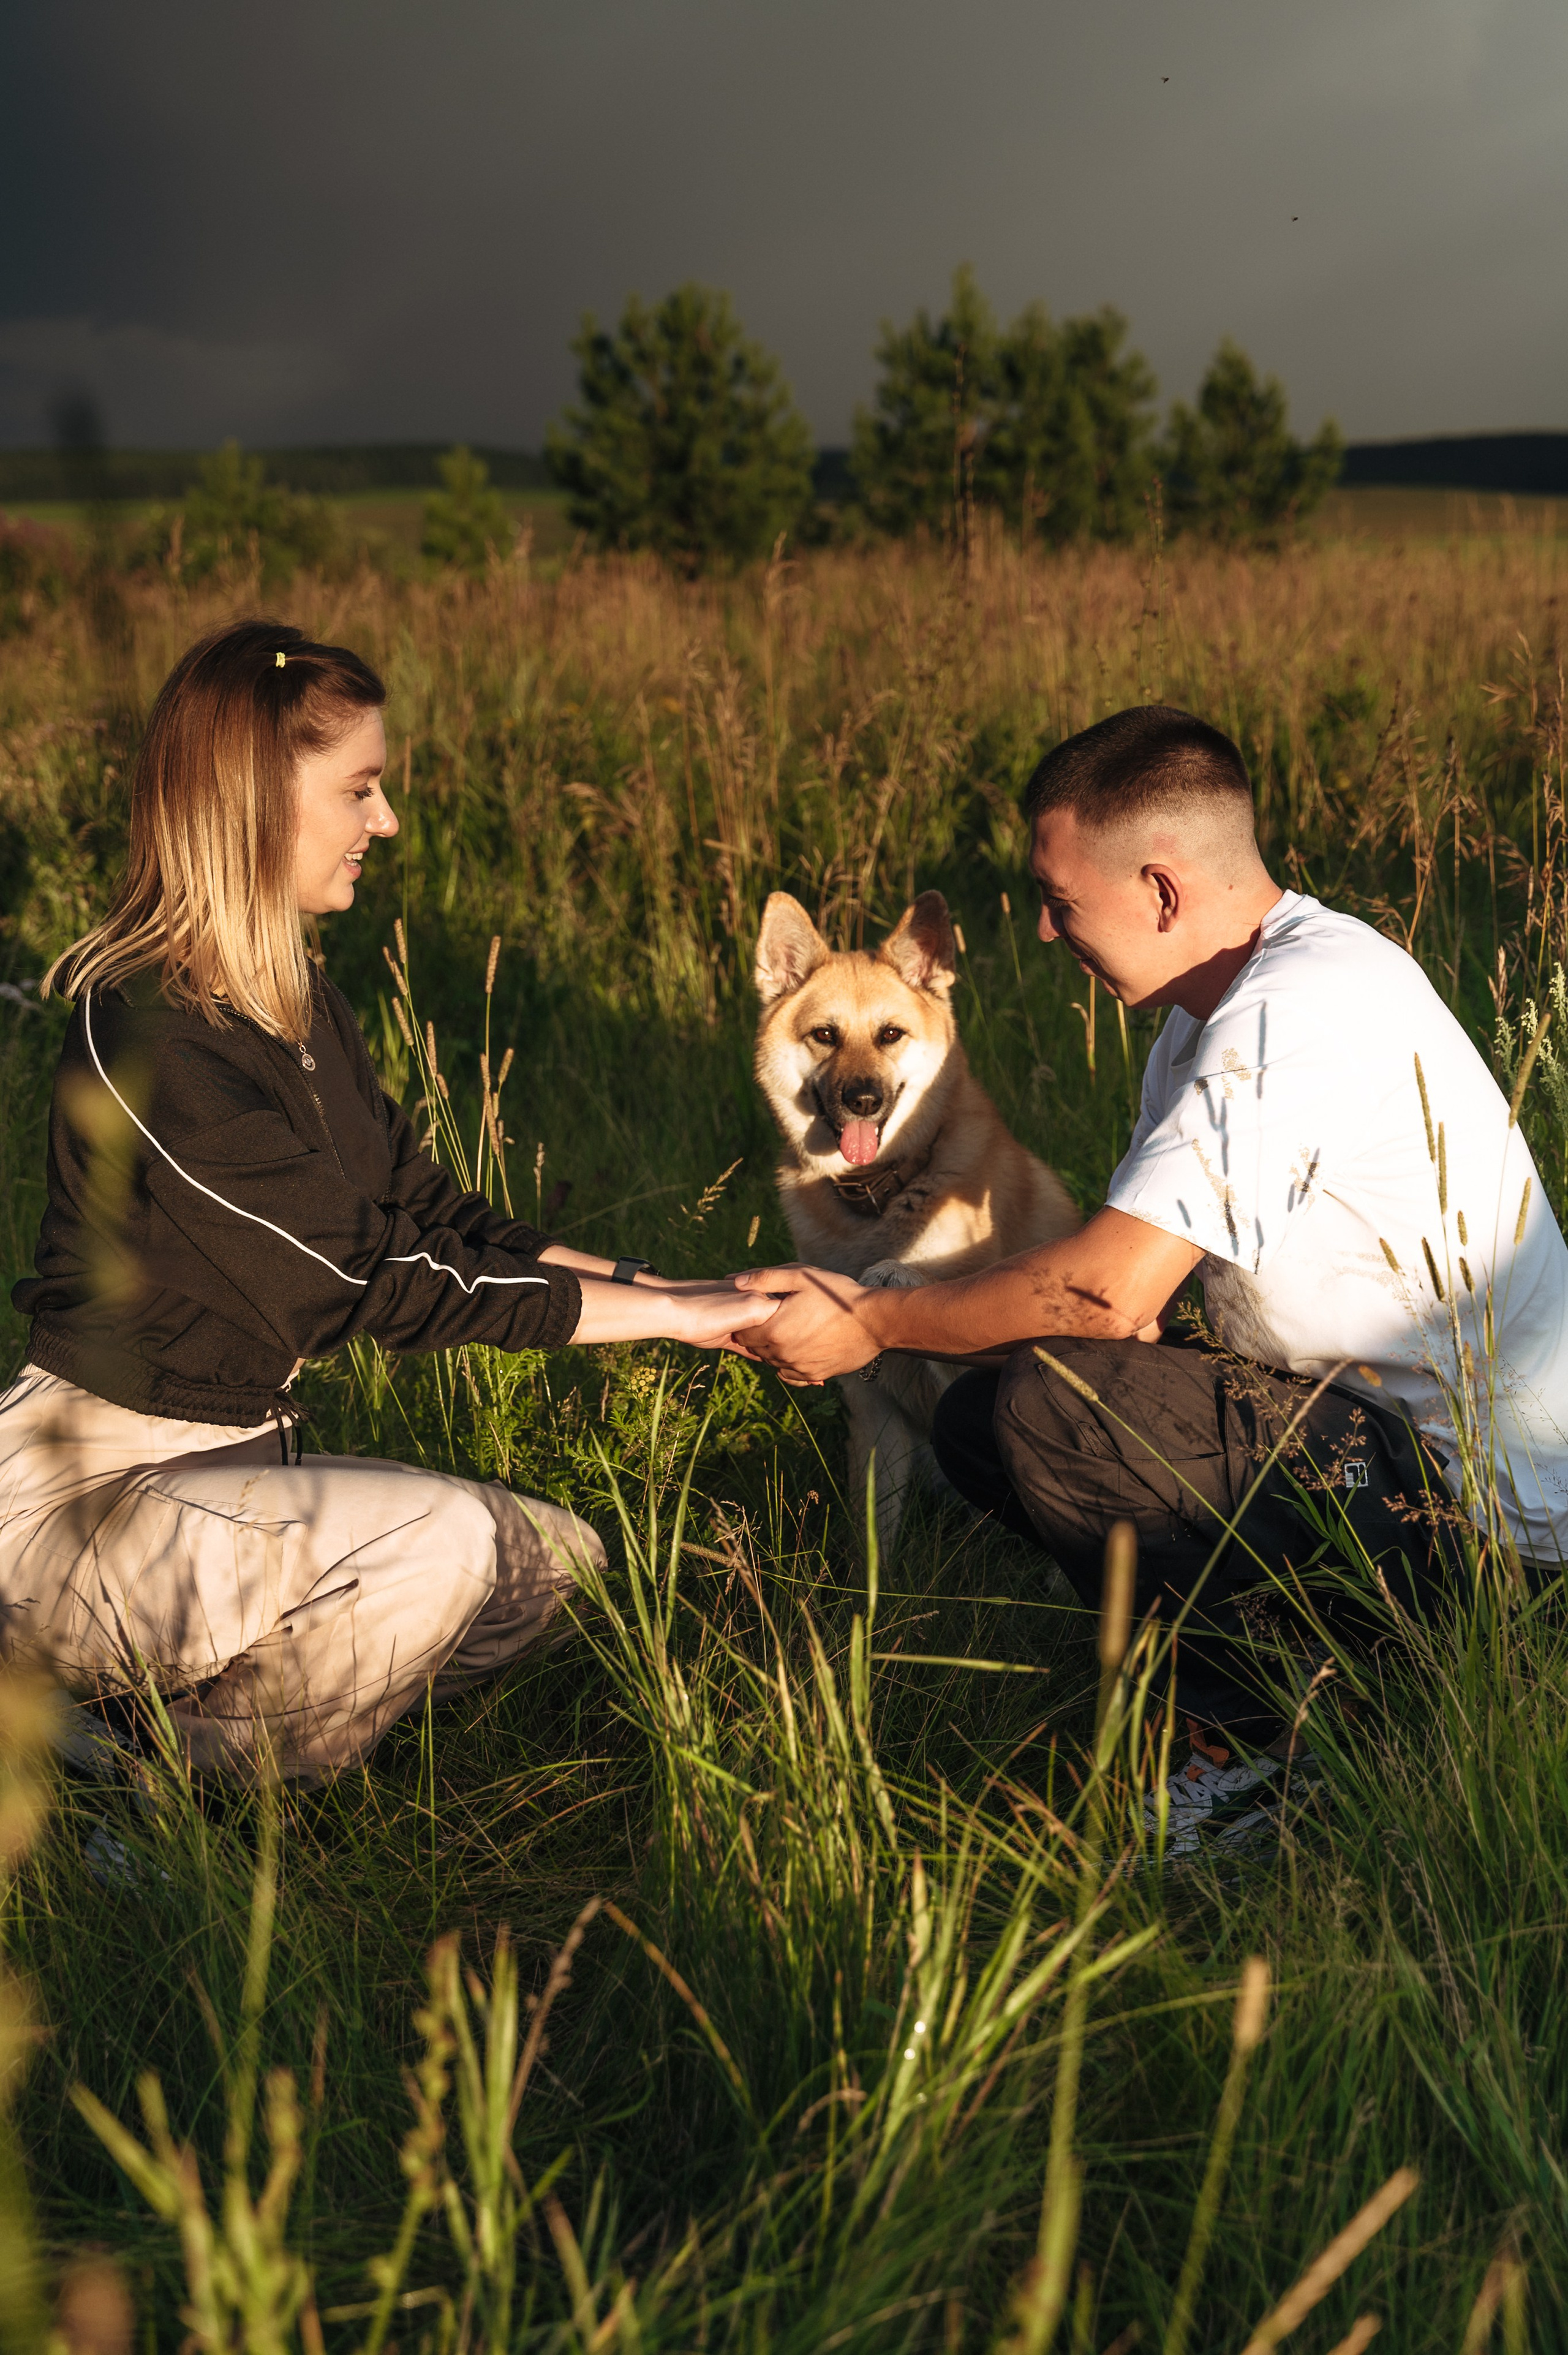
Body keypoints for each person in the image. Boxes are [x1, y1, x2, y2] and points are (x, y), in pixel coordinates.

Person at [737, 704, 1568, 1843]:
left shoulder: (1298, 1009)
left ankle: (1270, 1760)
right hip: (1366, 1444)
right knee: (998, 1411)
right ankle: (1281, 1674)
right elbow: (1145, 1295)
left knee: (1047, 1403)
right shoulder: (1203, 1015)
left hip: (1485, 1534)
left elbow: (1102, 1294)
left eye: (1063, 901)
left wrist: (879, 1321)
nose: (1040, 931)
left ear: (1164, 891)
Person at [1, 619, 775, 1783]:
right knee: (448, 1545)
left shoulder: (296, 1000)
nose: (387, 822)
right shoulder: (146, 1035)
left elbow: (429, 1212)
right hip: (83, 1505)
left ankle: (139, 1738)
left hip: (224, 1483)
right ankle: (143, 1797)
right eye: (360, 789)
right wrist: (680, 1318)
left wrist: (696, 1295)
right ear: (256, 800)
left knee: (559, 1567)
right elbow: (360, 1277)